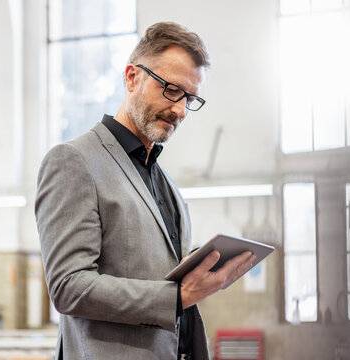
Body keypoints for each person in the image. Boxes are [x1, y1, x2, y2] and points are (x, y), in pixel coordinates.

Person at [35, 22, 256, 360]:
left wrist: (197, 269)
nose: (180, 110)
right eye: (171, 89)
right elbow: (69, 287)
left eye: (190, 98)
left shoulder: (165, 184)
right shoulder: (73, 161)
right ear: (132, 77)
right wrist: (176, 296)